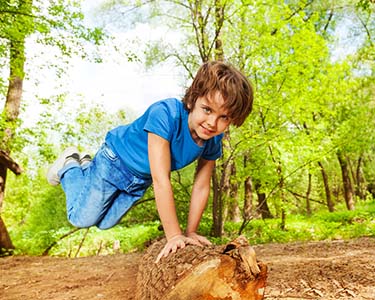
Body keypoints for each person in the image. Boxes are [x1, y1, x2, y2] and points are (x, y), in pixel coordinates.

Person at [47, 61, 253, 262]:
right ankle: (71, 166)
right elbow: (161, 178)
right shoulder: (166, 114)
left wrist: (190, 232)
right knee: (80, 219)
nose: (212, 123)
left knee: (105, 223)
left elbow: (201, 186)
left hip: (139, 181)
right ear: (192, 100)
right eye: (207, 109)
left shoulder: (212, 140)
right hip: (114, 162)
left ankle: (85, 165)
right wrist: (174, 236)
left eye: (224, 117)